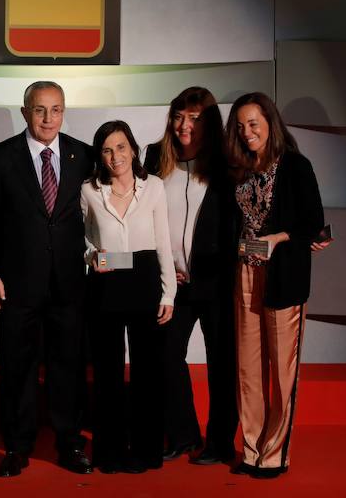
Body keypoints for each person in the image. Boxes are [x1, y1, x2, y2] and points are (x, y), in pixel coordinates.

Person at [0, 81, 94, 477]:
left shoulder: (84, 156)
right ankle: (17, 446)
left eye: (56, 109)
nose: (48, 118)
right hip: (15, 283)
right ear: (25, 112)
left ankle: (70, 443)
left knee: (68, 366)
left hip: (70, 283)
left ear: (64, 111)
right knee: (17, 367)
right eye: (40, 110)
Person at [224, 92, 324, 479]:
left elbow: (312, 221)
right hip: (245, 274)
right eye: (241, 125)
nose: (247, 132)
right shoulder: (239, 168)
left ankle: (274, 455)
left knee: (282, 374)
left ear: (270, 122)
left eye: (254, 123)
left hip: (283, 277)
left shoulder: (297, 166)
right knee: (248, 370)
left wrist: (278, 239)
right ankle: (251, 449)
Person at [143, 87, 238, 465]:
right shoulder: (154, 157)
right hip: (173, 284)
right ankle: (182, 434)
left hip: (216, 283)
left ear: (209, 123)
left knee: (221, 363)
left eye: (195, 118)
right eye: (180, 116)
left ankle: (218, 442)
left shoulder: (226, 165)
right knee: (166, 357)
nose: (185, 125)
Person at [80, 120, 176, 474]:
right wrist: (92, 256)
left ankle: (147, 451)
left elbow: (163, 242)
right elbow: (83, 239)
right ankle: (109, 453)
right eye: (107, 149)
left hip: (146, 277)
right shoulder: (89, 190)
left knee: (148, 373)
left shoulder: (154, 187)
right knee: (107, 373)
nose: (115, 155)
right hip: (106, 282)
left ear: (133, 149)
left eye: (121, 147)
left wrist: (170, 294)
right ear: (100, 156)